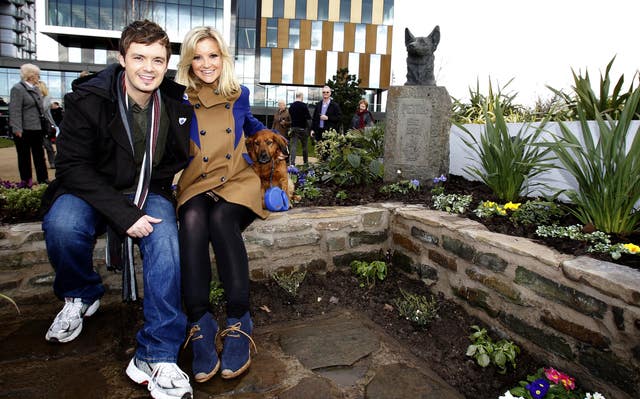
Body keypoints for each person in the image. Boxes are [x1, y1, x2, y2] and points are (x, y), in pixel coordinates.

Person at [40, 20, 193, 399]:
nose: (148, 67)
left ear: (167, 63)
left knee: (166, 240)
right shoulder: (87, 99)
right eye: (138, 56)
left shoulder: (175, 102)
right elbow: (72, 167)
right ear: (122, 58)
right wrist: (125, 216)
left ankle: (156, 354)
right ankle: (80, 294)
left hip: (148, 190)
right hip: (90, 187)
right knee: (62, 225)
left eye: (157, 59)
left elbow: (179, 157)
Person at [175, 26, 268, 383]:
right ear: (188, 61)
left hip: (237, 179)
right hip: (198, 180)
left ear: (224, 58)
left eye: (213, 55)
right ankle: (199, 321)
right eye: (197, 56)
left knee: (221, 220)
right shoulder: (179, 99)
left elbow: (253, 126)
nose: (206, 63)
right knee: (195, 217)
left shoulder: (239, 93)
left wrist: (276, 149)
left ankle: (239, 319)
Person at [9, 63, 49, 187]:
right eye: (37, 74)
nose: (38, 77)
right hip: (24, 129)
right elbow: (15, 110)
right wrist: (17, 128)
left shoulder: (36, 89)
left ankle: (43, 180)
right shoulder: (18, 89)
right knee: (24, 157)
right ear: (30, 75)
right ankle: (26, 182)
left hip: (37, 128)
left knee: (39, 156)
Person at [36, 81, 57, 168]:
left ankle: (52, 162)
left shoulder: (47, 97)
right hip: (35, 123)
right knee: (37, 146)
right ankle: (41, 163)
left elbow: (43, 109)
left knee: (47, 144)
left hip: (45, 123)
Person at [287, 91, 311, 165]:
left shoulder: (291, 106)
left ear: (296, 96)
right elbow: (308, 117)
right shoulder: (304, 106)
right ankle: (305, 162)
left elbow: (290, 116)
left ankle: (292, 163)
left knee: (293, 146)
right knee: (305, 146)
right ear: (301, 96)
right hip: (302, 128)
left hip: (294, 128)